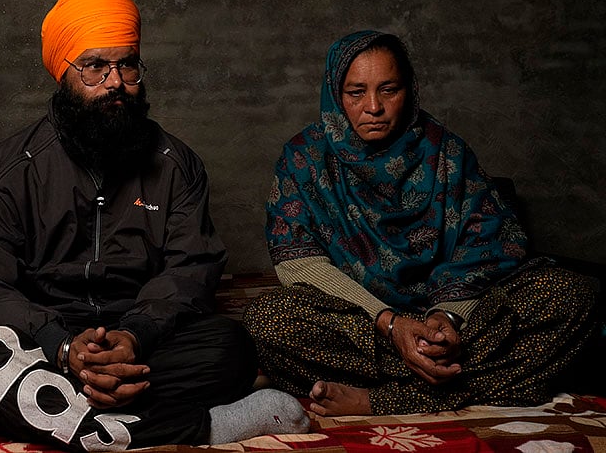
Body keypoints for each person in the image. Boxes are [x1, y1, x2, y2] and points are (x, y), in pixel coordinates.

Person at [0, 0, 308, 451]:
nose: (115, 82)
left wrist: (133, 336)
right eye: (94, 66)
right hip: (44, 345)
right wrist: (61, 345)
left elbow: (191, 271)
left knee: (229, 348)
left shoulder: (177, 165)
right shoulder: (10, 169)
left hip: (143, 346)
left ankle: (27, 409)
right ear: (63, 72)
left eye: (127, 64)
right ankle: (204, 427)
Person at [243, 30, 599, 417]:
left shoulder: (447, 151)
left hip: (455, 323)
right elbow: (299, 263)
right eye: (356, 92)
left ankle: (379, 397)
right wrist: (392, 326)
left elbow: (491, 244)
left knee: (570, 293)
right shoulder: (305, 158)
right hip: (364, 324)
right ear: (334, 93)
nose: (373, 107)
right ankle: (456, 379)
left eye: (388, 89)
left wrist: (444, 318)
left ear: (408, 90)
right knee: (268, 320)